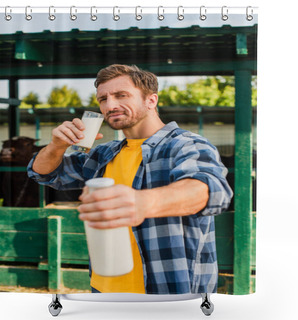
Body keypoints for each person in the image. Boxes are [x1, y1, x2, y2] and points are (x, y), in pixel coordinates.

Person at [27, 64, 233, 295]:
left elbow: (209, 190)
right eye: (103, 99)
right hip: (104, 289)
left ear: (151, 101)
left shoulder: (186, 144)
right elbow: (43, 173)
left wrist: (142, 203)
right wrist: (56, 146)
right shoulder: (103, 154)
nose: (110, 105)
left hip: (168, 292)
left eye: (121, 95)